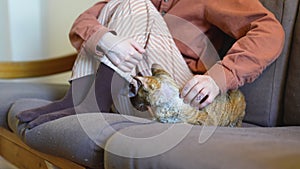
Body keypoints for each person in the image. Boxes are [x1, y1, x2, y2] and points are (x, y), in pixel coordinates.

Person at [16, 0, 284, 128]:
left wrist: (220, 76)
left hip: (178, 96)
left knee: (135, 3)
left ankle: (89, 104)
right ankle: (78, 100)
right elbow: (82, 24)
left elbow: (269, 31)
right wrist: (108, 42)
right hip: (132, 96)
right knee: (111, 11)